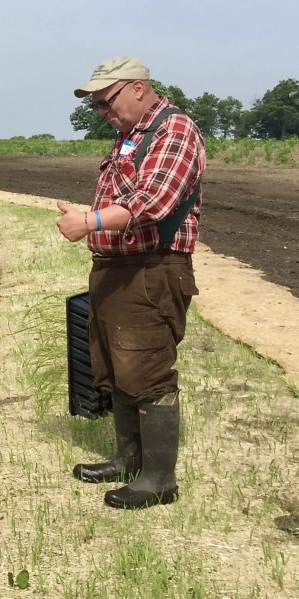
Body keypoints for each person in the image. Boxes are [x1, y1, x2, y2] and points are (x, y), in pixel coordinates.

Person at [57, 57, 205, 510]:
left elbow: (152, 201)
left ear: (138, 88)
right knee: (117, 368)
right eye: (98, 106)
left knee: (148, 372)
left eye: (107, 101)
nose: (103, 112)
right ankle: (127, 459)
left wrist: (89, 220)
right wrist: (92, 224)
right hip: (116, 269)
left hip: (150, 271)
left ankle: (159, 479)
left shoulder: (174, 130)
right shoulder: (129, 138)